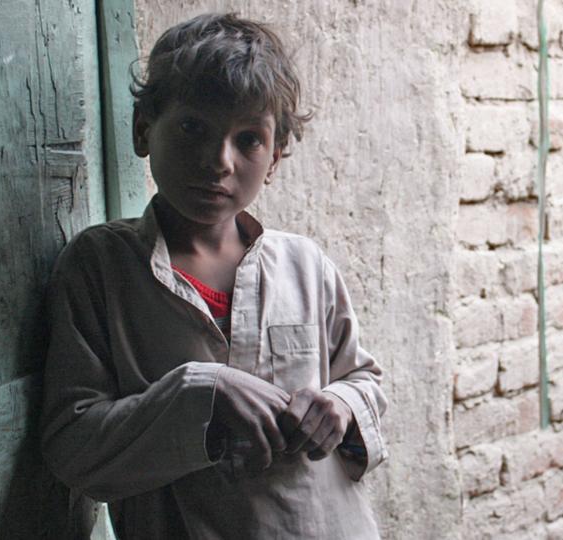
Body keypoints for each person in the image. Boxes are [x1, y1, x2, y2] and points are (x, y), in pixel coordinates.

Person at [40, 13, 387, 539]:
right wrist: (203, 391)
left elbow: (364, 381)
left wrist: (340, 405)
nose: (218, 160)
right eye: (192, 128)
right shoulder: (101, 268)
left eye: (248, 139)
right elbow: (73, 445)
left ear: (274, 158)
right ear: (142, 130)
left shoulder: (306, 266)